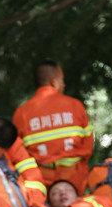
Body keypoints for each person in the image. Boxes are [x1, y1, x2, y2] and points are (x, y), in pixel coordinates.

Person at [13, 60, 93, 194]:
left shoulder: (21, 114)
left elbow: (17, 154)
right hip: (74, 183)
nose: (64, 84)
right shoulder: (75, 106)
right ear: (54, 82)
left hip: (40, 185)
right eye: (62, 80)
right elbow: (88, 146)